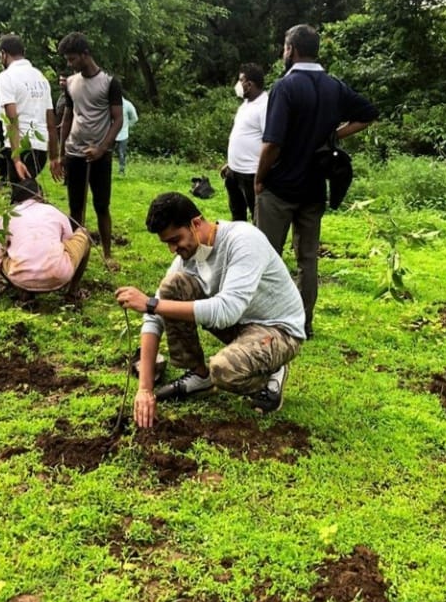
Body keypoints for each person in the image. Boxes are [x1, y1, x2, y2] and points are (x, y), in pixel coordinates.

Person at [115, 192, 306, 427]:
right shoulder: (188, 255)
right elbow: (154, 317)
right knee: (172, 286)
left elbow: (227, 310)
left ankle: (272, 372)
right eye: (167, 243)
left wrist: (151, 304)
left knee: (224, 370)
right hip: (241, 326)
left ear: (196, 223)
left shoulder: (243, 241)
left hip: (278, 330)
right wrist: (144, 389)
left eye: (176, 239)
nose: (173, 249)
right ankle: (199, 376)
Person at [255, 24, 378, 338]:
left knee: (267, 255)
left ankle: (268, 320)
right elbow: (367, 113)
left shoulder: (286, 86)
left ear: (292, 49)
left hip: (280, 187)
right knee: (308, 261)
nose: (284, 53)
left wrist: (259, 178)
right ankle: (303, 324)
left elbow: (272, 144)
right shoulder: (334, 86)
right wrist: (333, 135)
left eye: (284, 47)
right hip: (314, 189)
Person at [57, 31, 123, 266]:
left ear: (86, 55)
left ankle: (107, 254)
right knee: (76, 207)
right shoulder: (72, 83)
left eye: (72, 58)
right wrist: (61, 152)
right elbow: (67, 116)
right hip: (74, 152)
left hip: (99, 156)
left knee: (101, 205)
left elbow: (118, 120)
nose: (69, 63)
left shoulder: (109, 82)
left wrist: (102, 148)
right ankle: (77, 254)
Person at [0, 178, 90, 302]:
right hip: (59, 276)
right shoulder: (56, 212)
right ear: (40, 194)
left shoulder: (5, 217)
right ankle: (73, 292)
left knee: (0, 252)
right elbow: (68, 242)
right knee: (84, 234)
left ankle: (24, 291)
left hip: (20, 278)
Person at [0, 34, 59, 189]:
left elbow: (12, 119)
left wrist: (16, 159)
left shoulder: (7, 77)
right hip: (40, 148)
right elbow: (51, 121)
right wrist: (53, 157)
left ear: (4, 54)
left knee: (20, 201)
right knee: (27, 195)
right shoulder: (41, 78)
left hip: (21, 146)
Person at [221, 63, 267, 221]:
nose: (238, 84)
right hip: (234, 172)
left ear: (250, 84)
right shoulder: (245, 105)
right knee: (237, 216)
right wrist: (230, 164)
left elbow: (270, 142)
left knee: (258, 218)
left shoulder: (264, 106)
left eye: (240, 80)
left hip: (251, 173)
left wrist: (261, 174)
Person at [115, 96, 138, 175]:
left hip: (123, 134)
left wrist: (127, 126)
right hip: (111, 133)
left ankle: (121, 171)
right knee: (107, 153)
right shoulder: (109, 104)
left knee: (121, 153)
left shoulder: (128, 105)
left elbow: (135, 118)